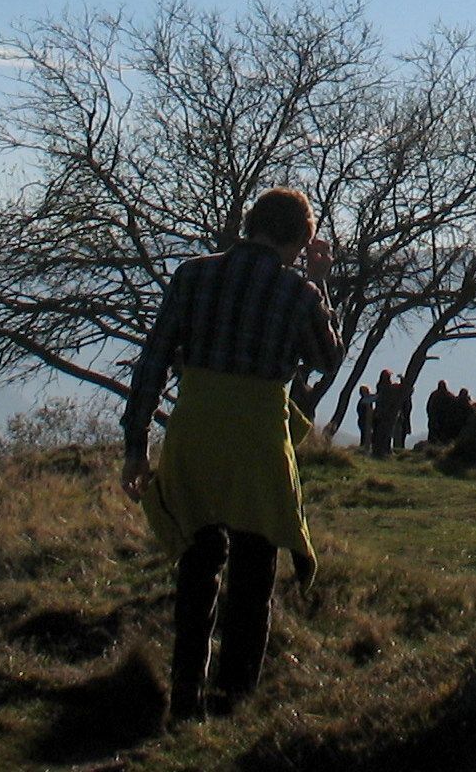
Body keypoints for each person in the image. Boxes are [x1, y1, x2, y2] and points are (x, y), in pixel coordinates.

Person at [122, 188, 344, 720]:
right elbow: (325, 356)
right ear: (301, 238)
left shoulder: (192, 274)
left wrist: (136, 446)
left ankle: (184, 696)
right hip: (257, 442)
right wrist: (318, 283)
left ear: (250, 224)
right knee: (254, 571)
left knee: (197, 568)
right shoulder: (298, 292)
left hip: (194, 432)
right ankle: (234, 700)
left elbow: (152, 360)